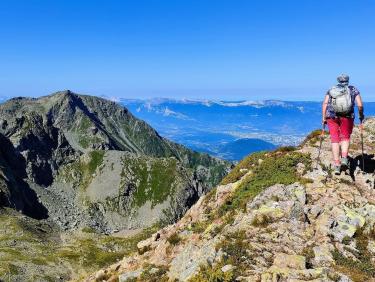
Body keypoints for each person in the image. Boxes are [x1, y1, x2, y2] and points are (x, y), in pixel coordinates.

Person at [322, 74, 364, 175]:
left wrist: (323, 117)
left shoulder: (332, 89)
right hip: (347, 116)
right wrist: (361, 115)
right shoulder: (353, 89)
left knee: (335, 139)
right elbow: (360, 105)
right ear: (348, 80)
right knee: (345, 137)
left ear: (338, 81)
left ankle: (337, 165)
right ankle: (344, 158)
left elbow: (325, 103)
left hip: (331, 116)